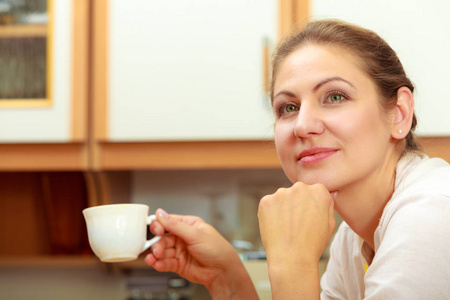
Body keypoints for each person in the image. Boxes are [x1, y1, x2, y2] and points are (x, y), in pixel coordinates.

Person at [145, 19, 450, 299]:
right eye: (288, 108)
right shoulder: (352, 239)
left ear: (399, 113)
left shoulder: (432, 215)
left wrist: (293, 262)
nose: (303, 125)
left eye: (334, 97)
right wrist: (227, 277)